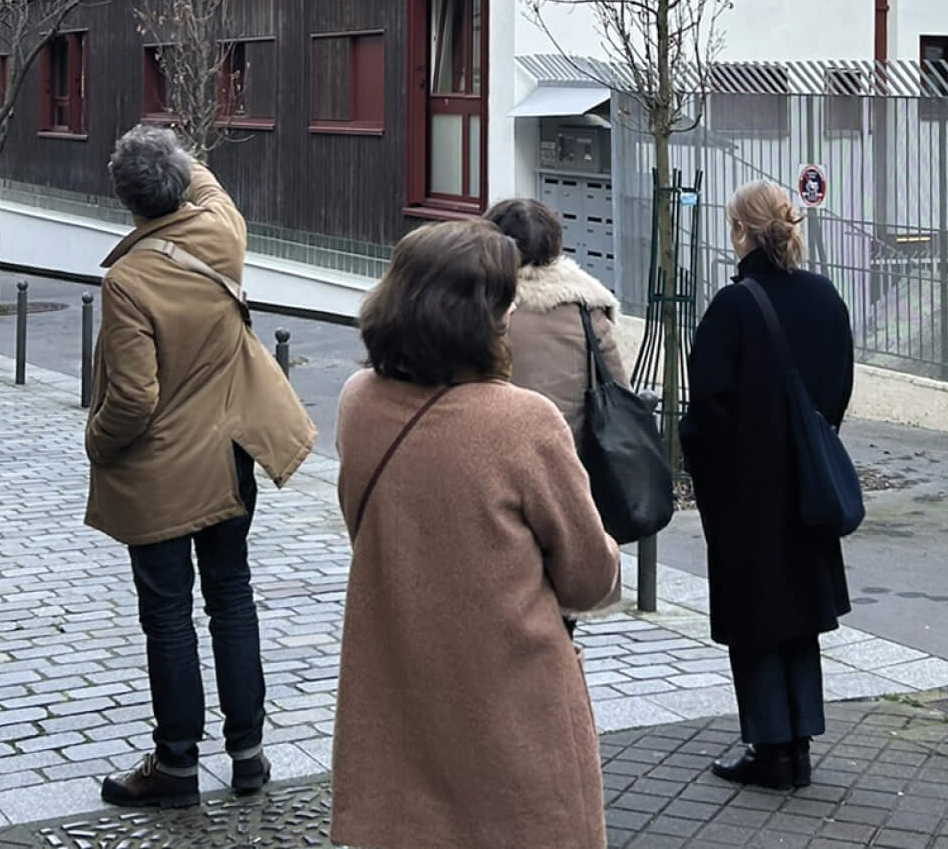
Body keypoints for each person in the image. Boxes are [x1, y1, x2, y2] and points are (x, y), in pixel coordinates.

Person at [331, 221, 618, 849]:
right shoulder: (523, 421)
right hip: (511, 700)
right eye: (505, 298)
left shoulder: (358, 401)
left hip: (400, 685)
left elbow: (367, 526)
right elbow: (590, 578)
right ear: (480, 316)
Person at [85, 127, 315, 810]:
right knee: (232, 599)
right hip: (229, 453)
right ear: (183, 182)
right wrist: (170, 146)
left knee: (168, 617)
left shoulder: (128, 281)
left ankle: (177, 766)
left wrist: (96, 441)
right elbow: (203, 180)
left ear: (127, 202)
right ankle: (248, 755)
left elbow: (131, 398)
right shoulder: (224, 233)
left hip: (159, 472)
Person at [679, 181, 855, 793]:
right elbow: (837, 391)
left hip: (746, 491)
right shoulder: (826, 296)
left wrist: (706, 467)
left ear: (739, 231)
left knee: (755, 621)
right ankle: (799, 743)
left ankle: (768, 747)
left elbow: (707, 410)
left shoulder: (734, 306)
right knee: (800, 616)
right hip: (806, 485)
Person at [488, 197, 629, 435]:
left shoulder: (477, 305)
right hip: (569, 451)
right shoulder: (585, 307)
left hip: (492, 449)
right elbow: (618, 389)